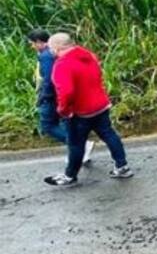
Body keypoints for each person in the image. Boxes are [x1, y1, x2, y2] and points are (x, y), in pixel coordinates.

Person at [43, 33, 133, 187]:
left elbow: (66, 91)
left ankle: (70, 175)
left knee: (76, 144)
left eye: (51, 48)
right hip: (100, 105)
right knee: (109, 134)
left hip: (80, 111)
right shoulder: (89, 55)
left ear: (57, 47)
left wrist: (63, 110)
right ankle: (122, 166)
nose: (50, 51)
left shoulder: (62, 64)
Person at [26, 29, 95, 164]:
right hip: (59, 94)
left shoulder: (46, 56)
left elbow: (48, 78)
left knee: (47, 125)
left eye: (32, 43)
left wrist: (43, 96)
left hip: (51, 96)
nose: (32, 47)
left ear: (39, 42)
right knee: (64, 123)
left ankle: (80, 145)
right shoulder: (53, 53)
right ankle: (79, 148)